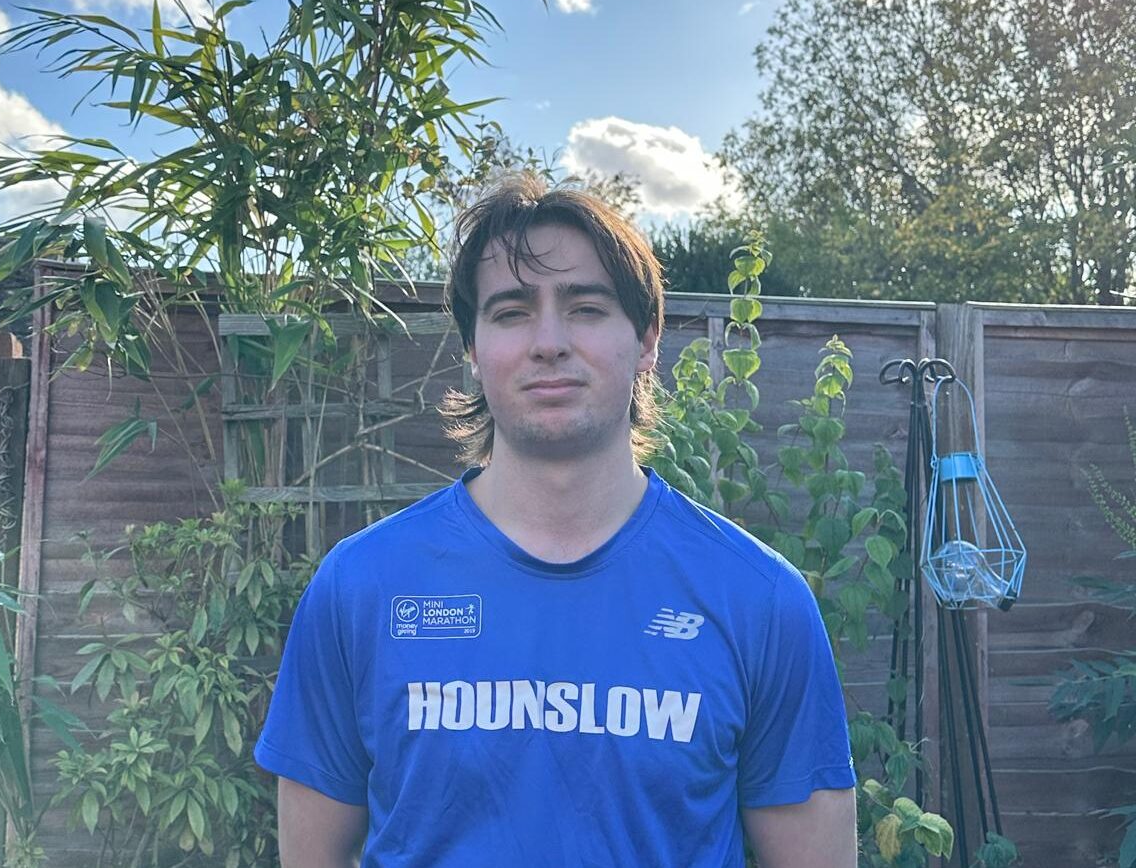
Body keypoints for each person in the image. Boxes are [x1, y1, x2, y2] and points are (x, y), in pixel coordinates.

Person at [254, 174, 858, 867]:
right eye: (511, 312)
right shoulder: (358, 590)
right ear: (473, 352)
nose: (549, 341)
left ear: (648, 340)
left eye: (586, 307)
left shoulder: (758, 600)